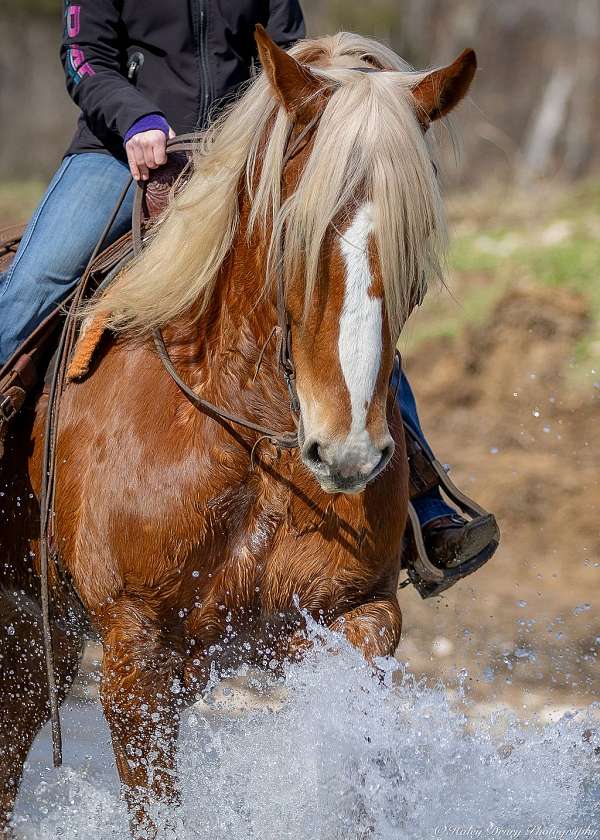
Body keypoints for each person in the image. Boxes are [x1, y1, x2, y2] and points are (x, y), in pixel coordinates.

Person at [0, 0, 498, 576]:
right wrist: (135, 118)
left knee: (342, 288)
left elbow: (287, 58)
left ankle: (424, 496)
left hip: (244, 153)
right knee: (35, 282)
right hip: (119, 152)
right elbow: (85, 56)